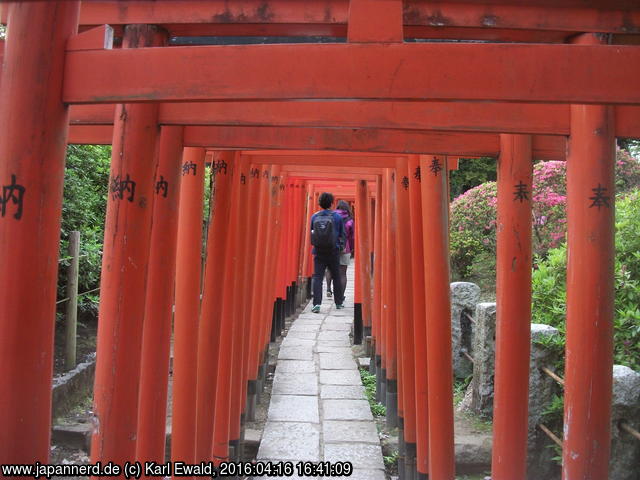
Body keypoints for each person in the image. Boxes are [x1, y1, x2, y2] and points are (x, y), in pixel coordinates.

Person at [310, 192, 345, 313]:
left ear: (320, 203)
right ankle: (339, 302)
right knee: (336, 276)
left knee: (318, 277)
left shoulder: (314, 217)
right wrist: (341, 247)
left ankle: (316, 304)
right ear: (331, 203)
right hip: (333, 251)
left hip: (318, 251)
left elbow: (312, 232)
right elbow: (342, 234)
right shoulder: (337, 217)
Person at [334, 200, 355, 300]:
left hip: (333, 247)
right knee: (343, 273)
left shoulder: (333, 217)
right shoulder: (350, 220)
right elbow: (352, 237)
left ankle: (331, 290)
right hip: (345, 248)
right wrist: (351, 248)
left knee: (332, 271)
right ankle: (340, 296)